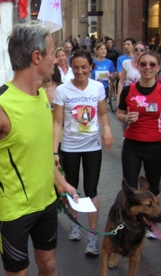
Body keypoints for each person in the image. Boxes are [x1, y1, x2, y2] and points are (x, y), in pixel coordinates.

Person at [0, 22, 77, 276]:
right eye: (53, 51)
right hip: (14, 212)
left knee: (49, 264)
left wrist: (60, 181)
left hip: (47, 204)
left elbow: (40, 150)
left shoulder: (41, 94)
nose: (57, 57)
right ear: (37, 57)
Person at [53, 49, 114, 256]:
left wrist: (106, 128)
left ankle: (93, 236)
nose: (80, 72)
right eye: (76, 67)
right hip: (69, 146)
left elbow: (104, 114)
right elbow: (57, 122)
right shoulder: (63, 90)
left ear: (90, 67)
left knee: (92, 190)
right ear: (72, 68)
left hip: (92, 146)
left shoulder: (97, 87)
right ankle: (75, 224)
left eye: (84, 67)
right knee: (72, 189)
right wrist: (54, 151)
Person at [117, 51, 161, 239]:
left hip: (155, 146)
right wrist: (126, 117)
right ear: (138, 67)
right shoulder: (129, 90)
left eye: (152, 64)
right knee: (130, 188)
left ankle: (152, 222)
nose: (148, 68)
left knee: (153, 188)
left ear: (158, 67)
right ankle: (127, 221)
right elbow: (119, 113)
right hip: (132, 146)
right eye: (144, 64)